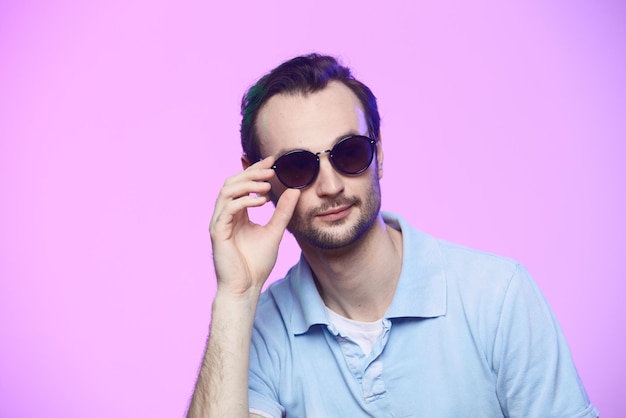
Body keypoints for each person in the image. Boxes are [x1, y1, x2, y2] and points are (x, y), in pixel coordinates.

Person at [187, 53, 598, 418]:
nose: (330, 186)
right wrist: (236, 296)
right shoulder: (258, 329)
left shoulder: (497, 296)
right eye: (298, 167)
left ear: (379, 153)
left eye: (349, 153)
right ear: (257, 179)